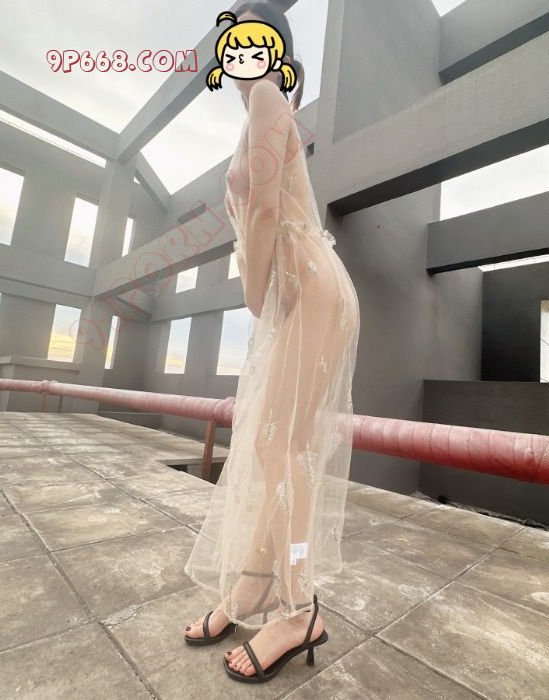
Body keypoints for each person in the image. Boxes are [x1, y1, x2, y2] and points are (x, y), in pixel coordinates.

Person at [182, 2, 360, 683]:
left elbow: (261, 206)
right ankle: (255, 585)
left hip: (306, 286)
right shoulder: (258, 105)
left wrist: (255, 294)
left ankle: (298, 607)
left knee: (279, 445)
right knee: (274, 441)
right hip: (303, 290)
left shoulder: (265, 93)